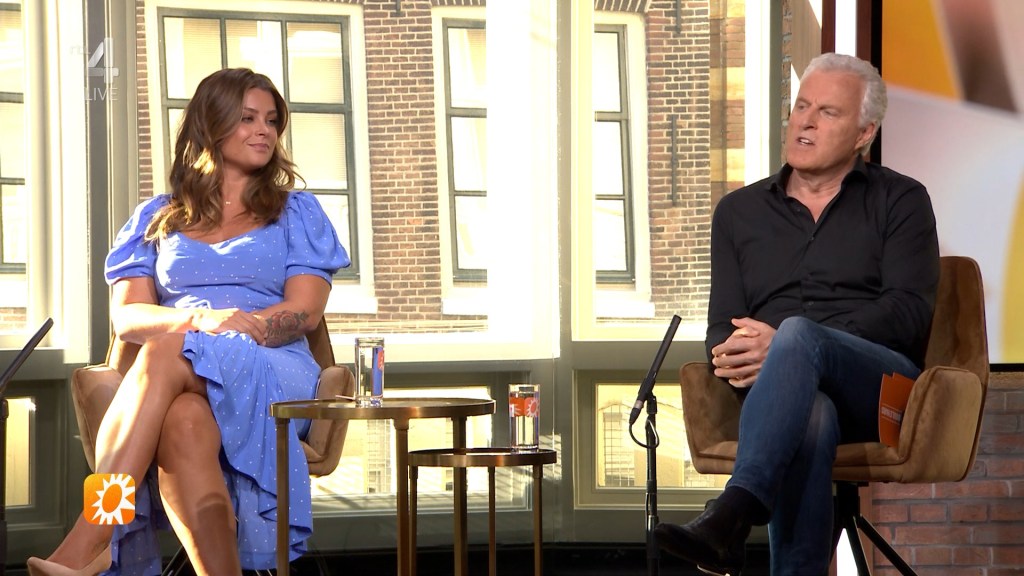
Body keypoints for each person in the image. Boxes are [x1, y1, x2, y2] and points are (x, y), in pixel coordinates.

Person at [28, 68, 349, 576]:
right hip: (182, 371)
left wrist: (232, 328)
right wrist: (202, 319)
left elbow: (305, 311)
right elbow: (128, 317)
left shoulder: (297, 213)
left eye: (271, 121)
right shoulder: (155, 219)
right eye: (247, 118)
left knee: (168, 348)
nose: (264, 131)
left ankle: (94, 534)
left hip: (273, 368)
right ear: (211, 125)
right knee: (183, 419)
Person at [653, 52, 939, 575]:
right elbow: (721, 326)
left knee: (798, 336)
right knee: (812, 413)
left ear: (864, 133)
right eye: (801, 106)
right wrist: (745, 354)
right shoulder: (737, 213)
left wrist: (795, 345)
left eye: (827, 112)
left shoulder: (901, 200)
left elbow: (908, 313)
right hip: (778, 396)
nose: (805, 122)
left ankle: (735, 508)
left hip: (880, 391)